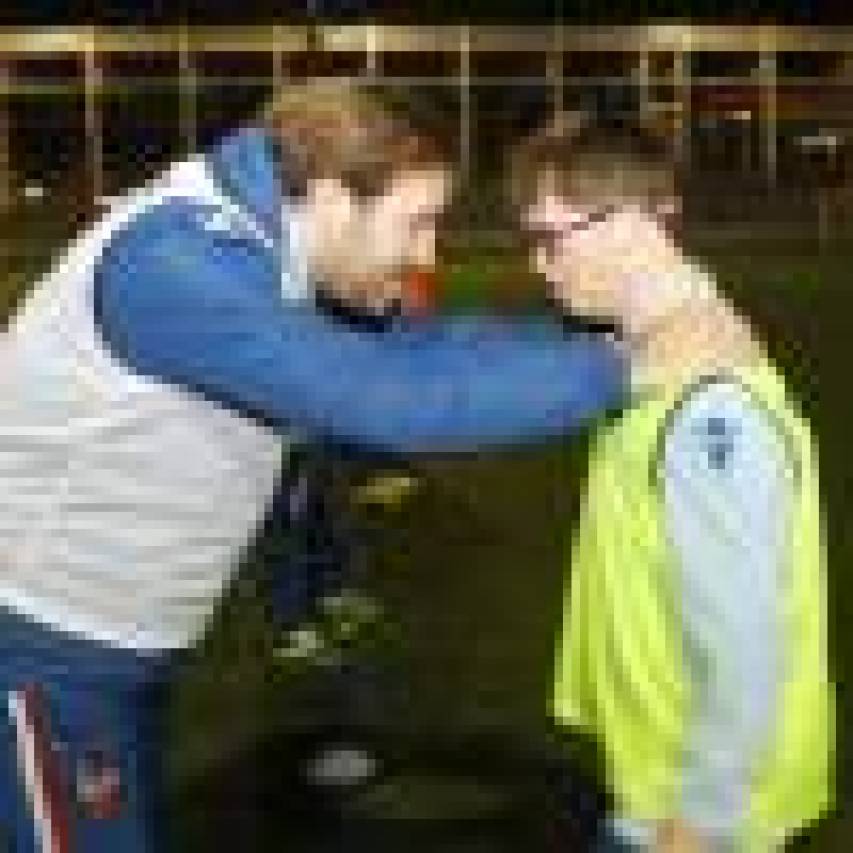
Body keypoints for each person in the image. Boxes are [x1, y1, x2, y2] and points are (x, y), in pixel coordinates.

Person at [0, 81, 625, 851]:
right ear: (331, 196)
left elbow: (419, 346)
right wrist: (635, 370)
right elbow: (390, 400)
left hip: (109, 647)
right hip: (43, 652)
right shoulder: (177, 261)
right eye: (417, 222)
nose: (427, 253)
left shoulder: (267, 247)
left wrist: (618, 338)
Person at [512, 114, 834, 852]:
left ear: (626, 225)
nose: (538, 262)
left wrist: (704, 817)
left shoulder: (707, 408)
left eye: (549, 236)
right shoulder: (654, 354)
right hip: (659, 776)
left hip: (691, 811)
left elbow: (746, 641)